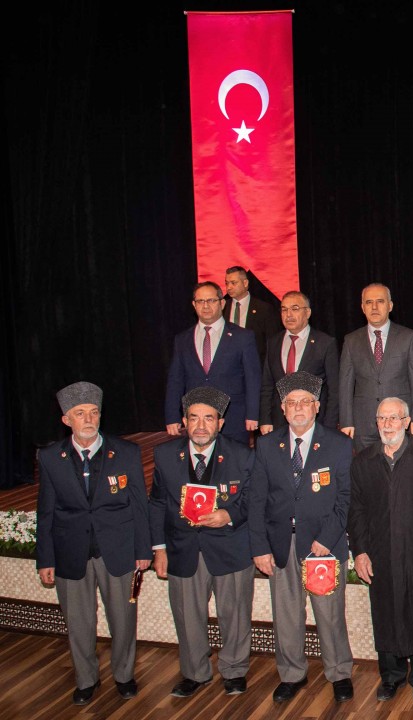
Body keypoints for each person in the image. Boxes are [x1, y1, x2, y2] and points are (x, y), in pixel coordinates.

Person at [36, 382, 150, 705]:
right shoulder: (50, 457)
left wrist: (143, 551)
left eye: (94, 412)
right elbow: (46, 511)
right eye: (80, 413)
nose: (88, 419)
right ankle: (86, 680)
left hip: (118, 550)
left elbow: (139, 505)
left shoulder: (126, 452)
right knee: (78, 622)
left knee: (123, 619)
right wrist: (45, 559)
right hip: (70, 552)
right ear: (66, 420)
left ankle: (124, 676)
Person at [248, 371, 355, 704]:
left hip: (323, 546)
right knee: (286, 615)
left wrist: (328, 537)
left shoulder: (338, 444)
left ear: (317, 406)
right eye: (291, 402)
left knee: (330, 614)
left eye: (305, 402)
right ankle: (292, 673)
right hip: (281, 543)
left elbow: (346, 497)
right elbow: (256, 499)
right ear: (282, 408)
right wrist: (260, 547)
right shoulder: (267, 445)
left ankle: (339, 672)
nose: (298, 408)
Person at [149, 387, 255, 697]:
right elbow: (157, 503)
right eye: (194, 418)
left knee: (235, 613)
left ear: (220, 423)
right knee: (187, 615)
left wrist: (228, 514)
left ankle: (234, 670)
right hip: (183, 549)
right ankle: (194, 672)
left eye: (208, 418)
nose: (200, 425)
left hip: (230, 545)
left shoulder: (242, 455)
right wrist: (159, 549)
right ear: (184, 421)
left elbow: (254, 500)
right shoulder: (165, 455)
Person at [349, 396, 413, 704]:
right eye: (382, 418)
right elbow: (357, 511)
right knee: (385, 613)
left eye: (394, 418)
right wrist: (360, 551)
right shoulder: (363, 461)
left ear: (407, 422)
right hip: (380, 553)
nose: (387, 424)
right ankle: (390, 676)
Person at [165, 281, 261, 443]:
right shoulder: (182, 340)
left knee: (236, 458)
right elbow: (175, 380)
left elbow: (253, 379)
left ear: (222, 303)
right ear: (194, 305)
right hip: (197, 421)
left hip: (234, 418)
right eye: (200, 301)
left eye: (211, 300)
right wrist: (172, 415)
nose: (205, 306)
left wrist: (253, 414)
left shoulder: (243, 337)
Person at [338, 283, 413, 450]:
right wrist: (346, 421)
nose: (374, 307)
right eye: (369, 302)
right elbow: (345, 384)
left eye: (380, 301)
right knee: (366, 466)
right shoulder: (351, 341)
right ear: (362, 308)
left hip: (399, 422)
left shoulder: (408, 337)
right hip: (364, 424)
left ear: (390, 306)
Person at [259, 291, 340, 433]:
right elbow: (267, 385)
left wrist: (329, 426)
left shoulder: (325, 343)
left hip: (314, 422)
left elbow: (334, 389)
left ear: (307, 313)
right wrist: (265, 420)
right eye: (284, 310)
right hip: (279, 423)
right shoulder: (273, 342)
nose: (288, 315)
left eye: (295, 309)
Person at [223, 265, 281, 365]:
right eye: (227, 283)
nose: (229, 287)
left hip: (255, 364)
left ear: (245, 283)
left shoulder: (264, 309)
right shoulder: (222, 308)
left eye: (233, 283)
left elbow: (272, 343)